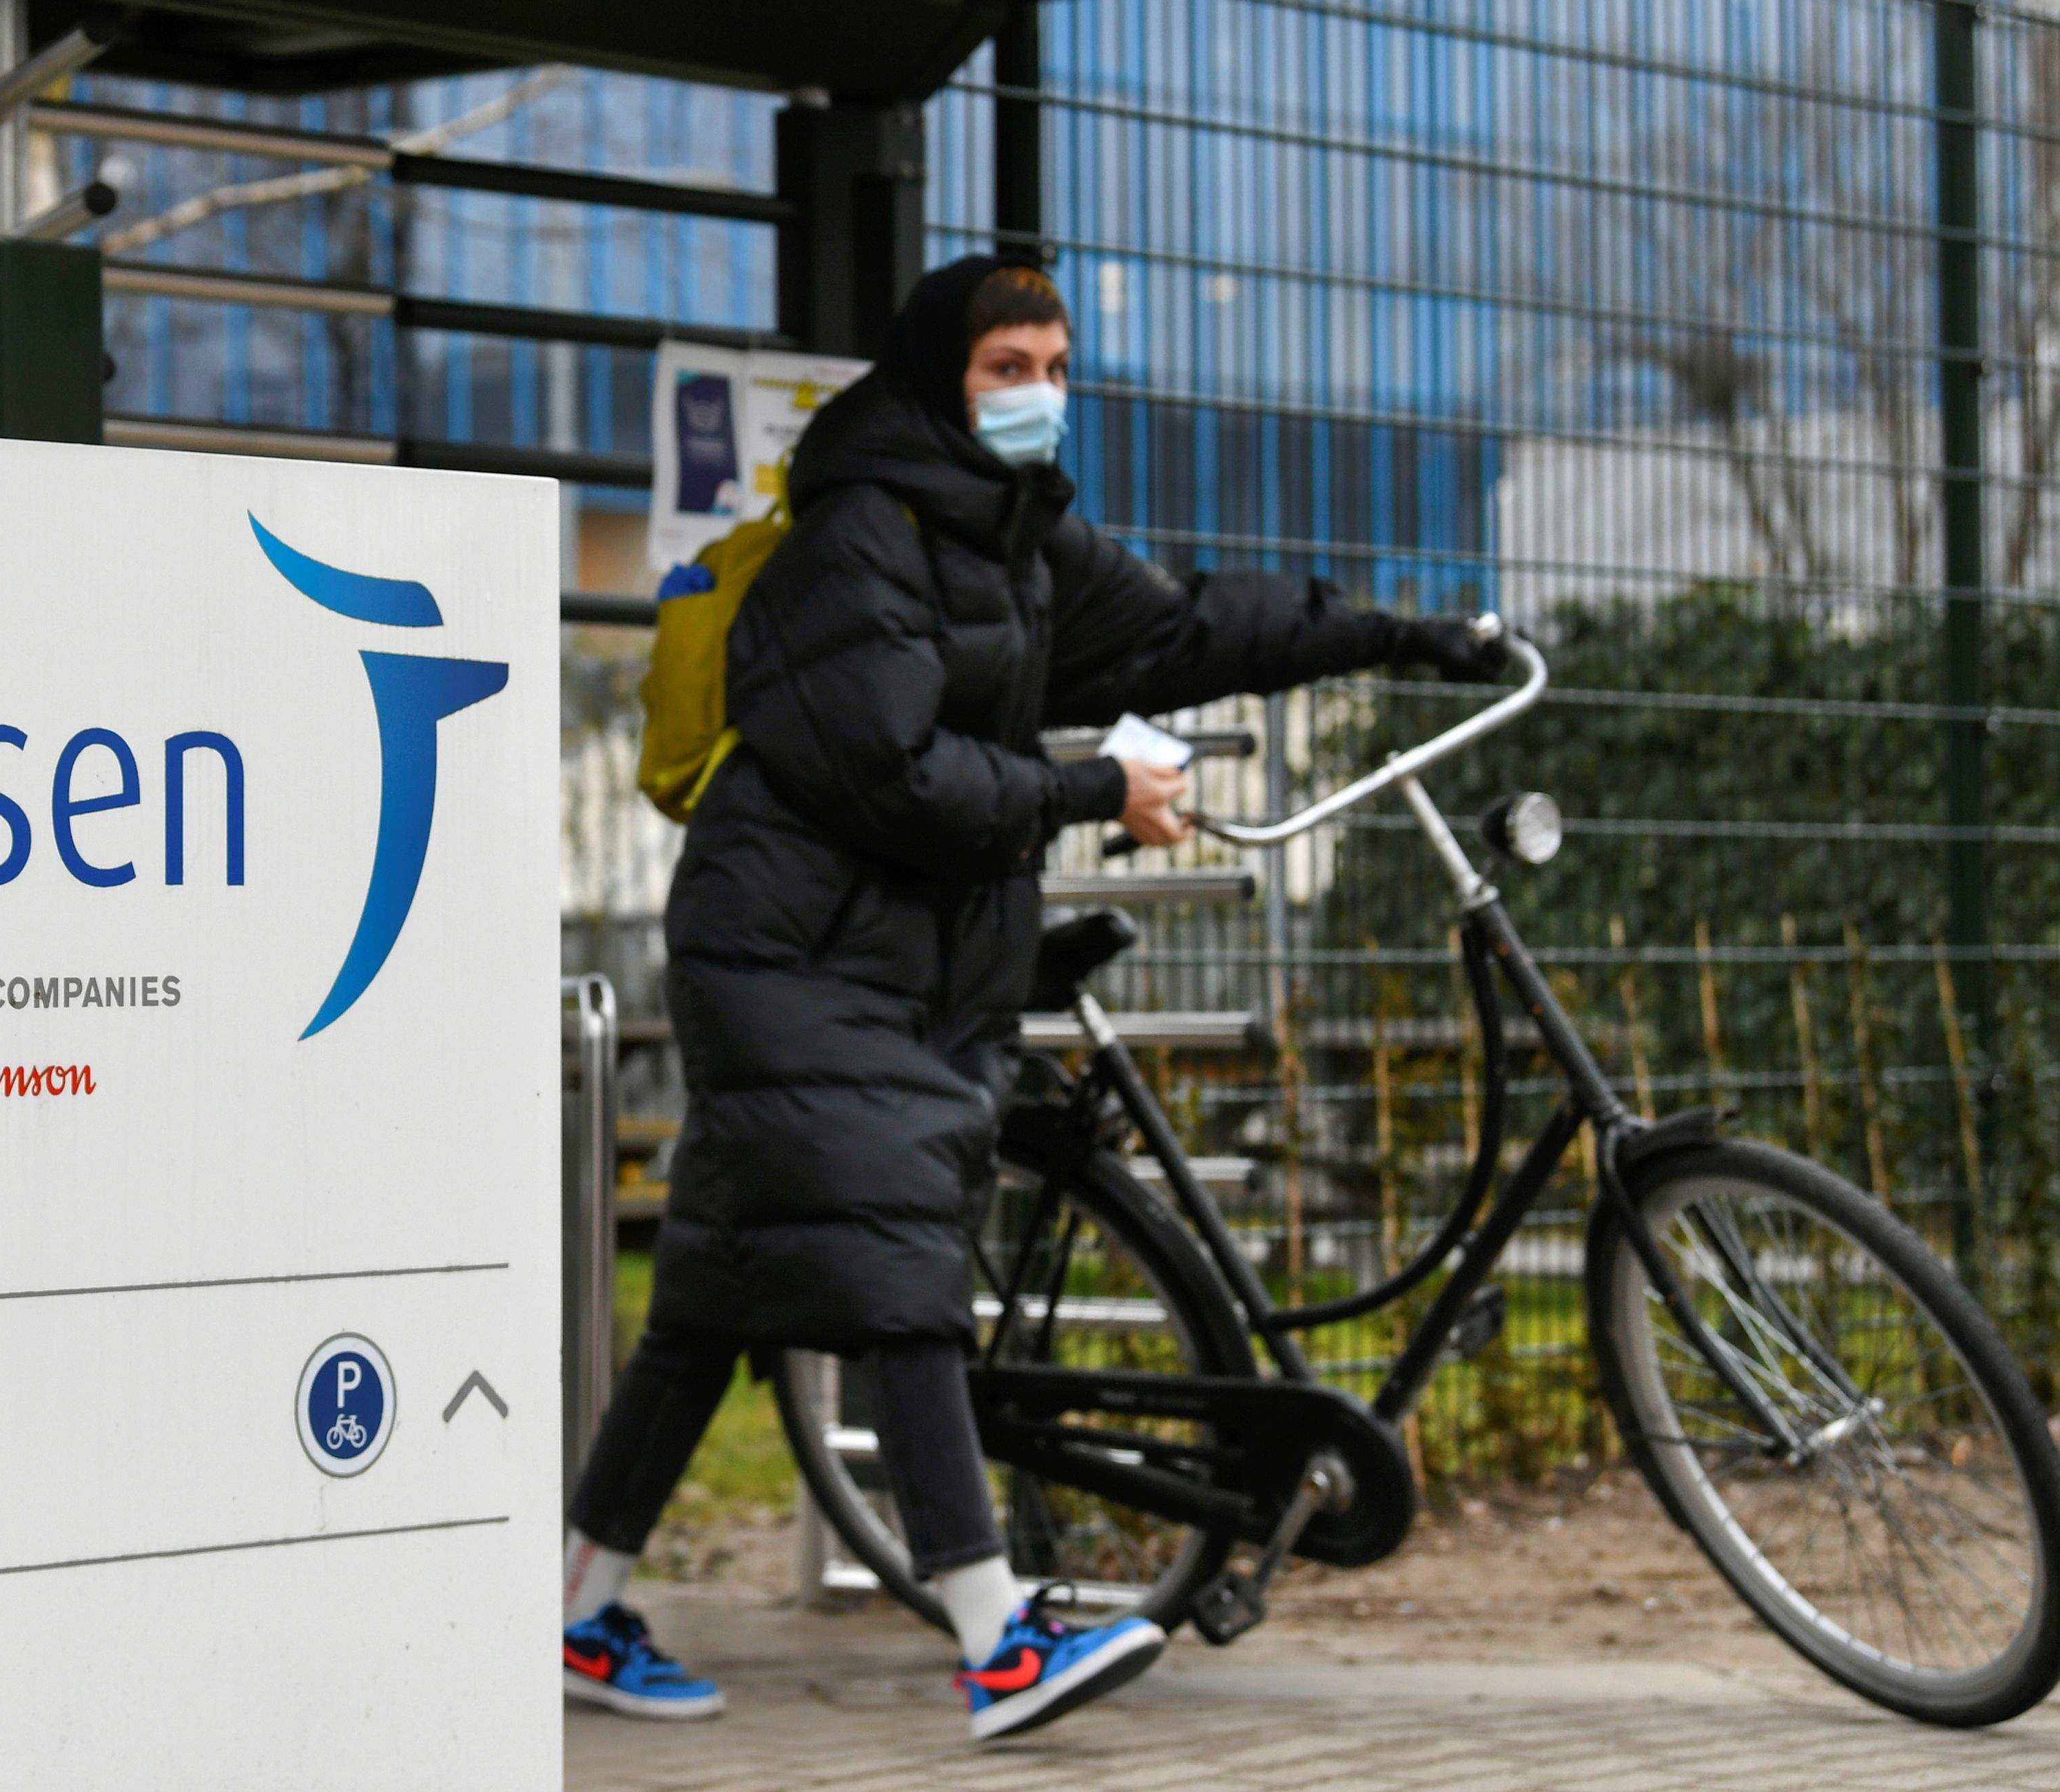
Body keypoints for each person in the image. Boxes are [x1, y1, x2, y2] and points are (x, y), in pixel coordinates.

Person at [562, 255, 1506, 1741]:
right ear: (939, 377)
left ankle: (575, 1605)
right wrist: (1092, 790)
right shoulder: (860, 533)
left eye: (1056, 368)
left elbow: (1189, 629)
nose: (1038, 396)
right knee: (901, 1261)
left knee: (710, 1293)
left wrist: (1398, 638)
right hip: (788, 950)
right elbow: (889, 772)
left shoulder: (1014, 532)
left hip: (887, 952)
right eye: (1007, 367)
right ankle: (996, 1636)